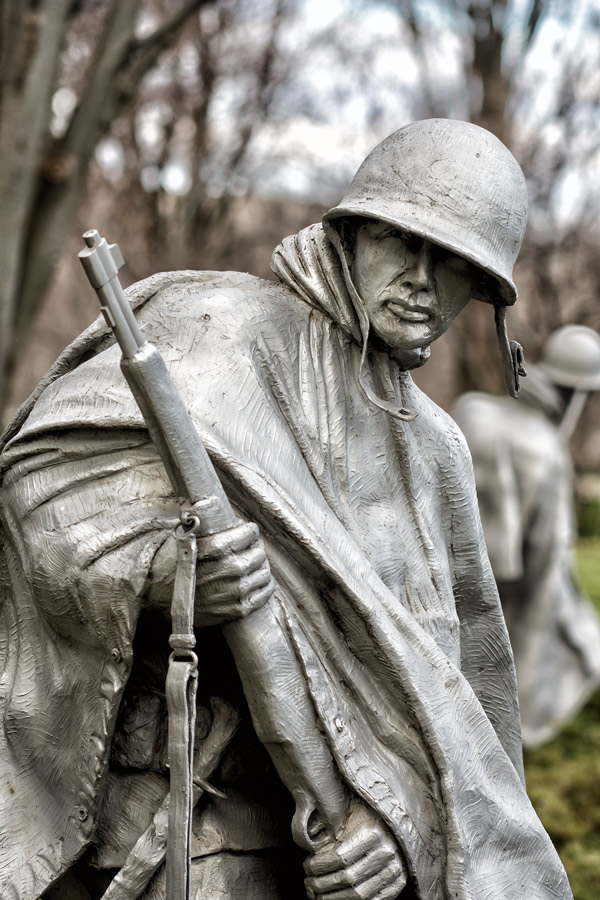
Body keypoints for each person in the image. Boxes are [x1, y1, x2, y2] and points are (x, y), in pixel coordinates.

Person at [0, 119, 573, 900]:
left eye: (457, 266)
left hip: (314, 857)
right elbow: (43, 507)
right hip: (172, 815)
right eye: (405, 243)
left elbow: (450, 707)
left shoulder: (437, 450)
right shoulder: (211, 330)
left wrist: (399, 828)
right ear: (354, 232)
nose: (423, 281)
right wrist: (169, 571)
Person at [453, 324, 600, 747]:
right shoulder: (549, 452)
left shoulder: (471, 408)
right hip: (505, 584)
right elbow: (546, 572)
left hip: (448, 573)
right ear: (578, 393)